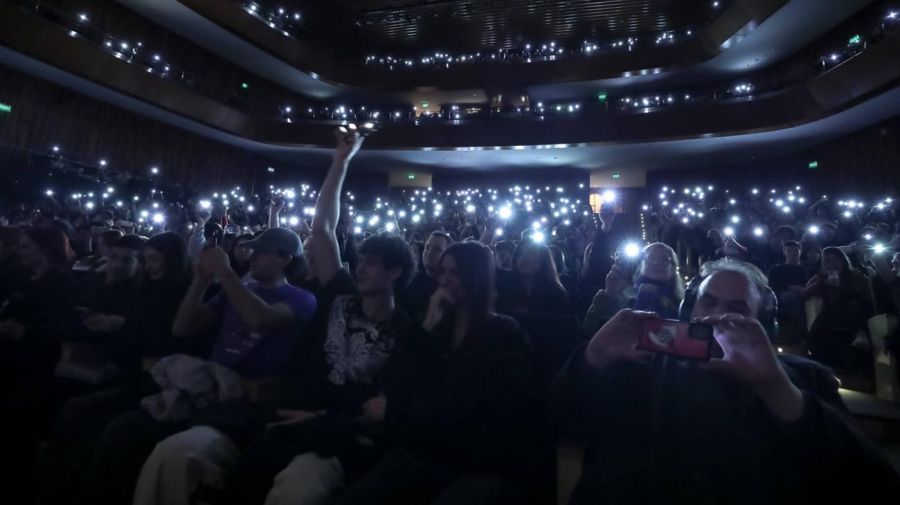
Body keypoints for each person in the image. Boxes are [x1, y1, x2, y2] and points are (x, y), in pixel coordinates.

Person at [554, 258, 900, 504]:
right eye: (708, 300)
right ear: (691, 307)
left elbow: (869, 481)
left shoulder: (801, 378)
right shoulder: (640, 364)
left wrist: (777, 389)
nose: (717, 313)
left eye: (737, 306)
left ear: (763, 323)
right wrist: (593, 358)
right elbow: (562, 424)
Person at [74, 225, 317, 505]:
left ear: (285, 258)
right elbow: (183, 327)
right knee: (119, 430)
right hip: (204, 386)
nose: (252, 257)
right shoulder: (239, 290)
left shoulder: (300, 297)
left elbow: (261, 319)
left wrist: (225, 273)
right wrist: (200, 281)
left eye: (261, 252)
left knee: (138, 436)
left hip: (244, 397)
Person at [336, 241, 538, 505]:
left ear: (477, 277)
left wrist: (397, 411)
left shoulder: (505, 335)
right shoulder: (434, 328)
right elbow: (394, 381)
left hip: (477, 459)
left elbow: (475, 406)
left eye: (456, 273)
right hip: (426, 450)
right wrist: (428, 325)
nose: (445, 281)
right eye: (442, 272)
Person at [583, 243, 684, 336]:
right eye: (650, 257)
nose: (656, 262)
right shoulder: (624, 297)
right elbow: (591, 331)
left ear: (673, 269)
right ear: (641, 266)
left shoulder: (681, 306)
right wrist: (609, 295)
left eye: (664, 259)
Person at [804, 247, 875, 369]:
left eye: (835, 260)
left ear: (843, 261)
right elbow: (805, 294)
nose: (832, 264)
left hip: (855, 311)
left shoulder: (856, 276)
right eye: (828, 261)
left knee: (863, 304)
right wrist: (822, 282)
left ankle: (861, 334)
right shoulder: (821, 277)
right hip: (831, 313)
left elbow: (870, 292)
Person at [496, 239, 570, 315]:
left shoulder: (556, 293)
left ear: (544, 259)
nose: (524, 257)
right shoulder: (504, 283)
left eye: (531, 254)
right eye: (520, 253)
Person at [401, 231, 453, 321]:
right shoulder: (409, 281)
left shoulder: (453, 288)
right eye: (427, 248)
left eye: (437, 250)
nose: (429, 253)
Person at [767, 240, 809, 337]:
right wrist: (791, 287)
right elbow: (773, 284)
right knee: (791, 298)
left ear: (800, 252)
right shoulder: (776, 268)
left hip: (802, 293)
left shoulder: (803, 270)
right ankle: (805, 331)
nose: (793, 253)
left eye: (795, 250)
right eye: (789, 250)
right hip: (779, 295)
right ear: (784, 252)